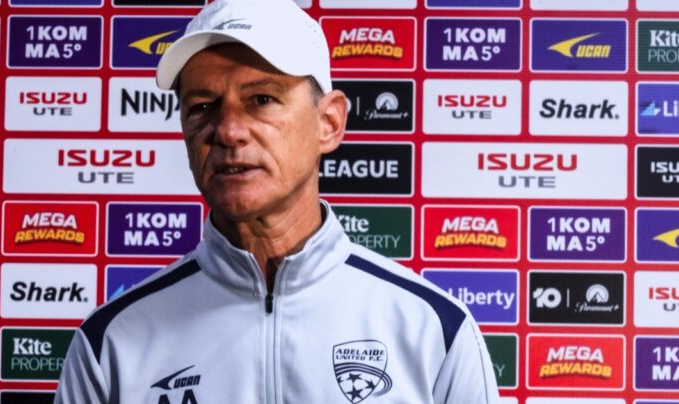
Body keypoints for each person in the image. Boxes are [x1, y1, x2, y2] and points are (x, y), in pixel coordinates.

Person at [54, 0, 500, 402]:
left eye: (261, 99)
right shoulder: (111, 342)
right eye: (203, 107)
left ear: (329, 123)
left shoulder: (433, 329)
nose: (228, 131)